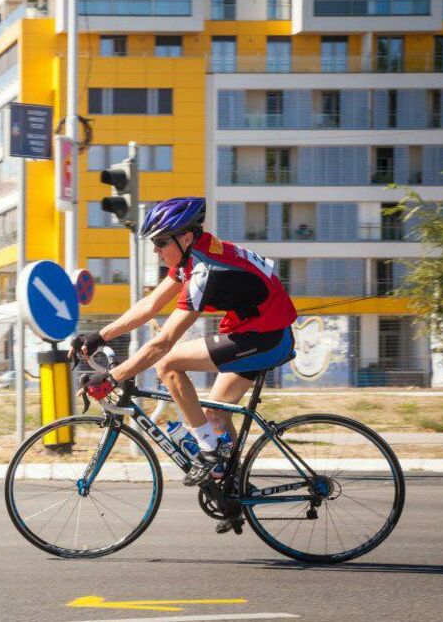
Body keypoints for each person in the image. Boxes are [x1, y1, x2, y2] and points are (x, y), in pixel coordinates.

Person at [70, 197, 297, 492]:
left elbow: (162, 344)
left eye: (162, 242)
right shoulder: (194, 255)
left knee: (169, 364)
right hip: (258, 331)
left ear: (186, 237)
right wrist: (100, 336)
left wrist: (114, 377)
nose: (156, 249)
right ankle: (235, 489)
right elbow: (151, 304)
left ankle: (210, 451)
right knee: (214, 415)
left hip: (267, 338)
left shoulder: (205, 272)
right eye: (155, 242)